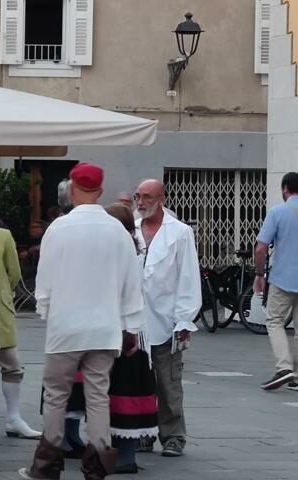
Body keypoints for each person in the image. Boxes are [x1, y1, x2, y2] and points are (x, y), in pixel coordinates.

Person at [19, 163, 144, 480]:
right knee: (98, 397)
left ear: (72, 190)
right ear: (100, 192)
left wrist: (46, 311)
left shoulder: (58, 229)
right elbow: (131, 283)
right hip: (105, 326)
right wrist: (131, 326)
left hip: (66, 326)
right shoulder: (117, 230)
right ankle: (98, 465)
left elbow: (43, 281)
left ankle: (46, 464)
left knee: (56, 395)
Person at [131, 179, 201, 458]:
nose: (141, 202)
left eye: (147, 197)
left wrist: (184, 319)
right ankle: (142, 433)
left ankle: (173, 436)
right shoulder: (130, 230)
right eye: (138, 197)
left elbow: (188, 277)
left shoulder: (180, 232)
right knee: (138, 382)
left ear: (162, 198)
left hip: (166, 319)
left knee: (168, 381)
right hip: (134, 321)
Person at [104, 203, 160, 474]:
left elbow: (127, 294)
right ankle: (125, 453)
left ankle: (125, 455)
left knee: (122, 393)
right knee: (124, 393)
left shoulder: (123, 254)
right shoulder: (132, 251)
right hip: (130, 328)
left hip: (127, 331)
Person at [0, 218, 42, 440]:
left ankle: (14, 418)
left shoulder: (1, 235)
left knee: (11, 363)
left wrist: (3, 295)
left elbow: (14, 273)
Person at [255, 172, 298, 391]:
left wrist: (259, 274)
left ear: (285, 189)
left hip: (283, 278)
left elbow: (261, 247)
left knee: (274, 320)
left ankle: (284, 367)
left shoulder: (278, 211)